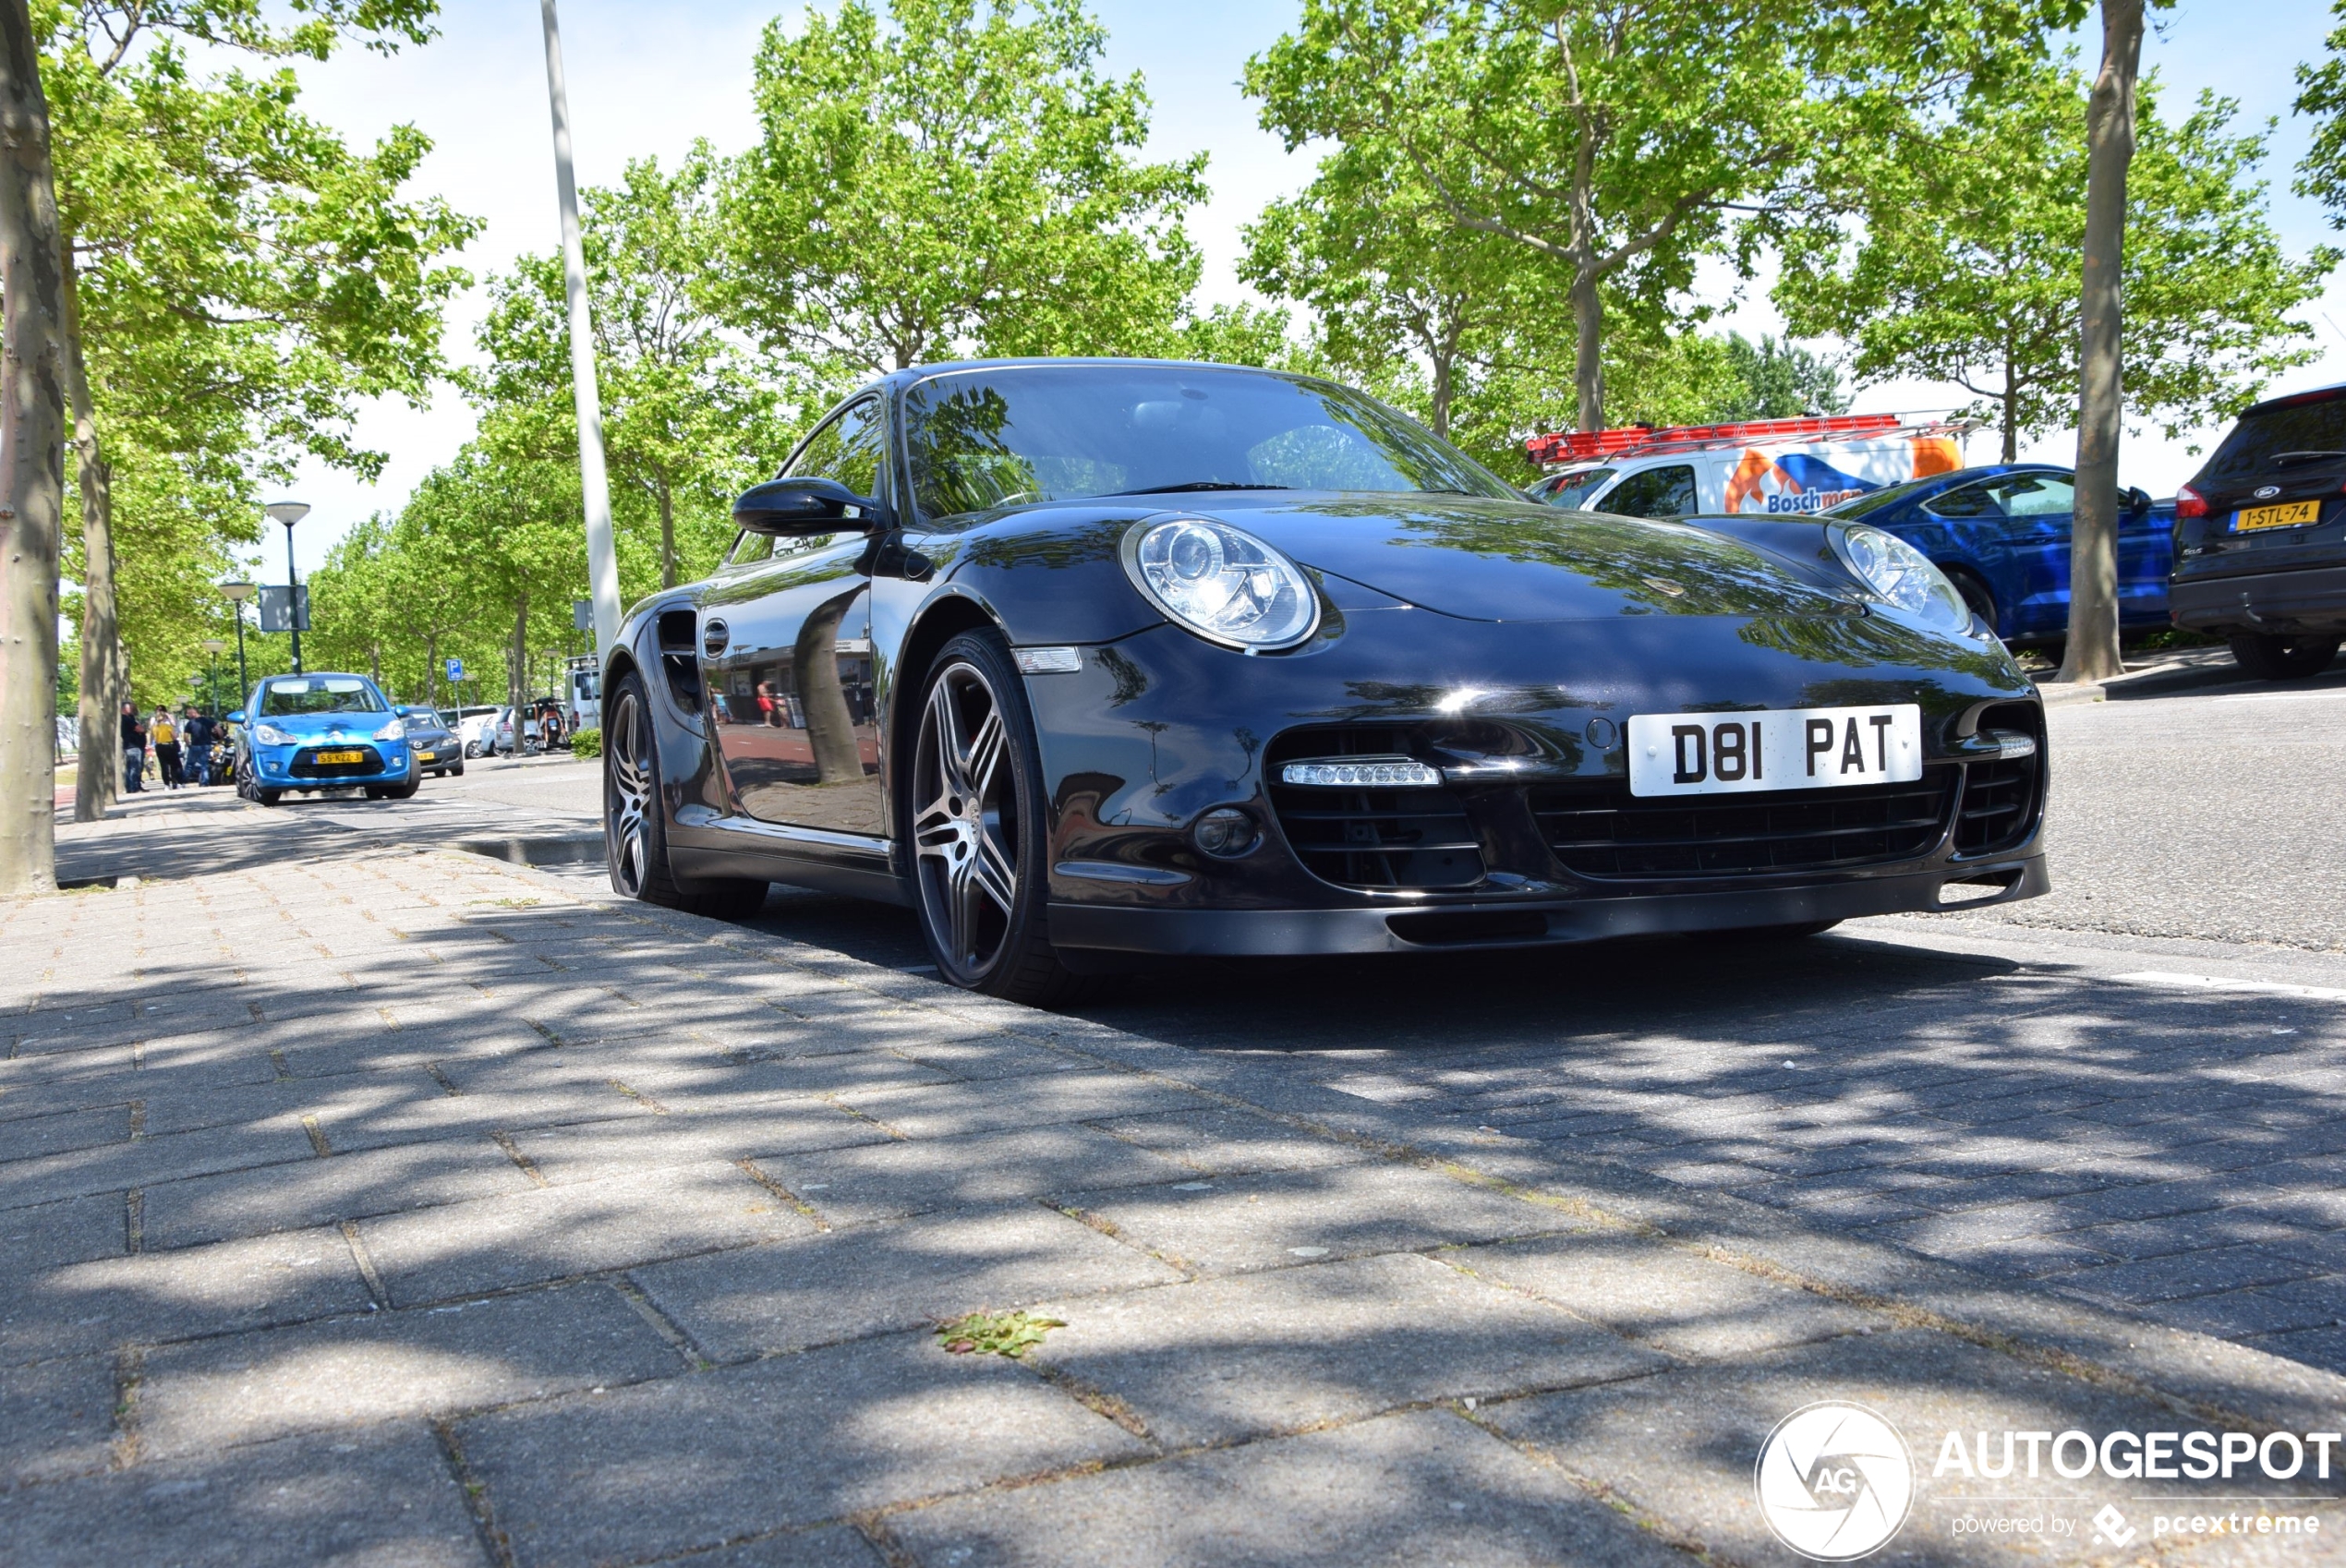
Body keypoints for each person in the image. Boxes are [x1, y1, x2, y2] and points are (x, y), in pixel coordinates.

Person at [181, 706, 215, 786]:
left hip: (195, 746)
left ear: (194, 713)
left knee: (189, 764)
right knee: (204, 765)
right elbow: (218, 729)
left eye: (189, 713)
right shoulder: (208, 720)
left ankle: (183, 781)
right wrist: (220, 738)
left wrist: (188, 744)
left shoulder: (190, 723)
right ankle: (205, 782)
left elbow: (186, 736)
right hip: (206, 745)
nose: (187, 715)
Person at [150, 706, 181, 790]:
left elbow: (152, 737)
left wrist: (151, 744)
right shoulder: (168, 726)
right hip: (169, 746)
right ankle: (175, 783)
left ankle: (166, 785)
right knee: (174, 765)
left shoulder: (154, 727)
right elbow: (174, 736)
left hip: (159, 746)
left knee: (164, 766)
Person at [119, 700, 146, 793]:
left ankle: (131, 787)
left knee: (130, 767)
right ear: (125, 709)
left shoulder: (130, 717)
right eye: (129, 707)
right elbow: (140, 729)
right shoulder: (126, 719)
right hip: (133, 746)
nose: (131, 709)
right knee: (134, 767)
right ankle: (133, 787)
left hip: (130, 746)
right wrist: (142, 729)